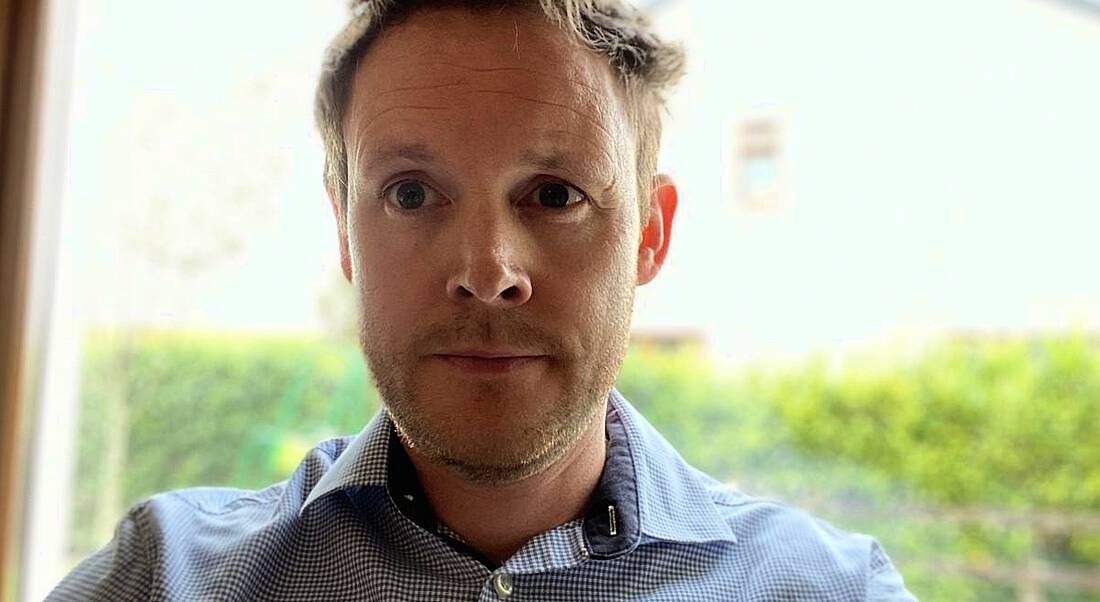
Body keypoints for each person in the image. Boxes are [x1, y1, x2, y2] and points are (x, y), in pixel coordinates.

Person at [50, 1, 916, 600]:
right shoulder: (161, 580)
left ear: (650, 235)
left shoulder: (836, 592)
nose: (486, 267)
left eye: (553, 194)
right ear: (345, 235)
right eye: (412, 195)